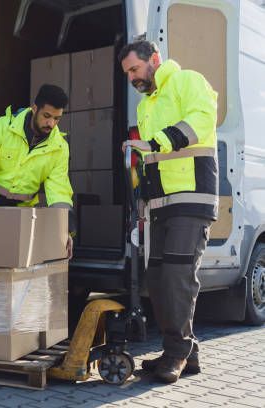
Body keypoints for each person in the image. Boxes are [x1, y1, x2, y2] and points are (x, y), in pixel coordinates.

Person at [119, 40, 218, 383]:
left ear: (154, 59)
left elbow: (203, 119)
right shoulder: (146, 106)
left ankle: (177, 353)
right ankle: (185, 353)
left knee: (177, 277)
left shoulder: (187, 80)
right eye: (127, 73)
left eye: (134, 69)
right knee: (159, 280)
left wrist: (154, 142)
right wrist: (141, 197)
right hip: (160, 205)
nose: (132, 78)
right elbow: (152, 162)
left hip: (191, 198)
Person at [0, 84, 75, 258]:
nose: (51, 123)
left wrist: (64, 230)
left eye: (57, 118)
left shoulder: (60, 147)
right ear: (34, 108)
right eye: (46, 116)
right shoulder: (1, 128)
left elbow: (59, 190)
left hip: (25, 216)